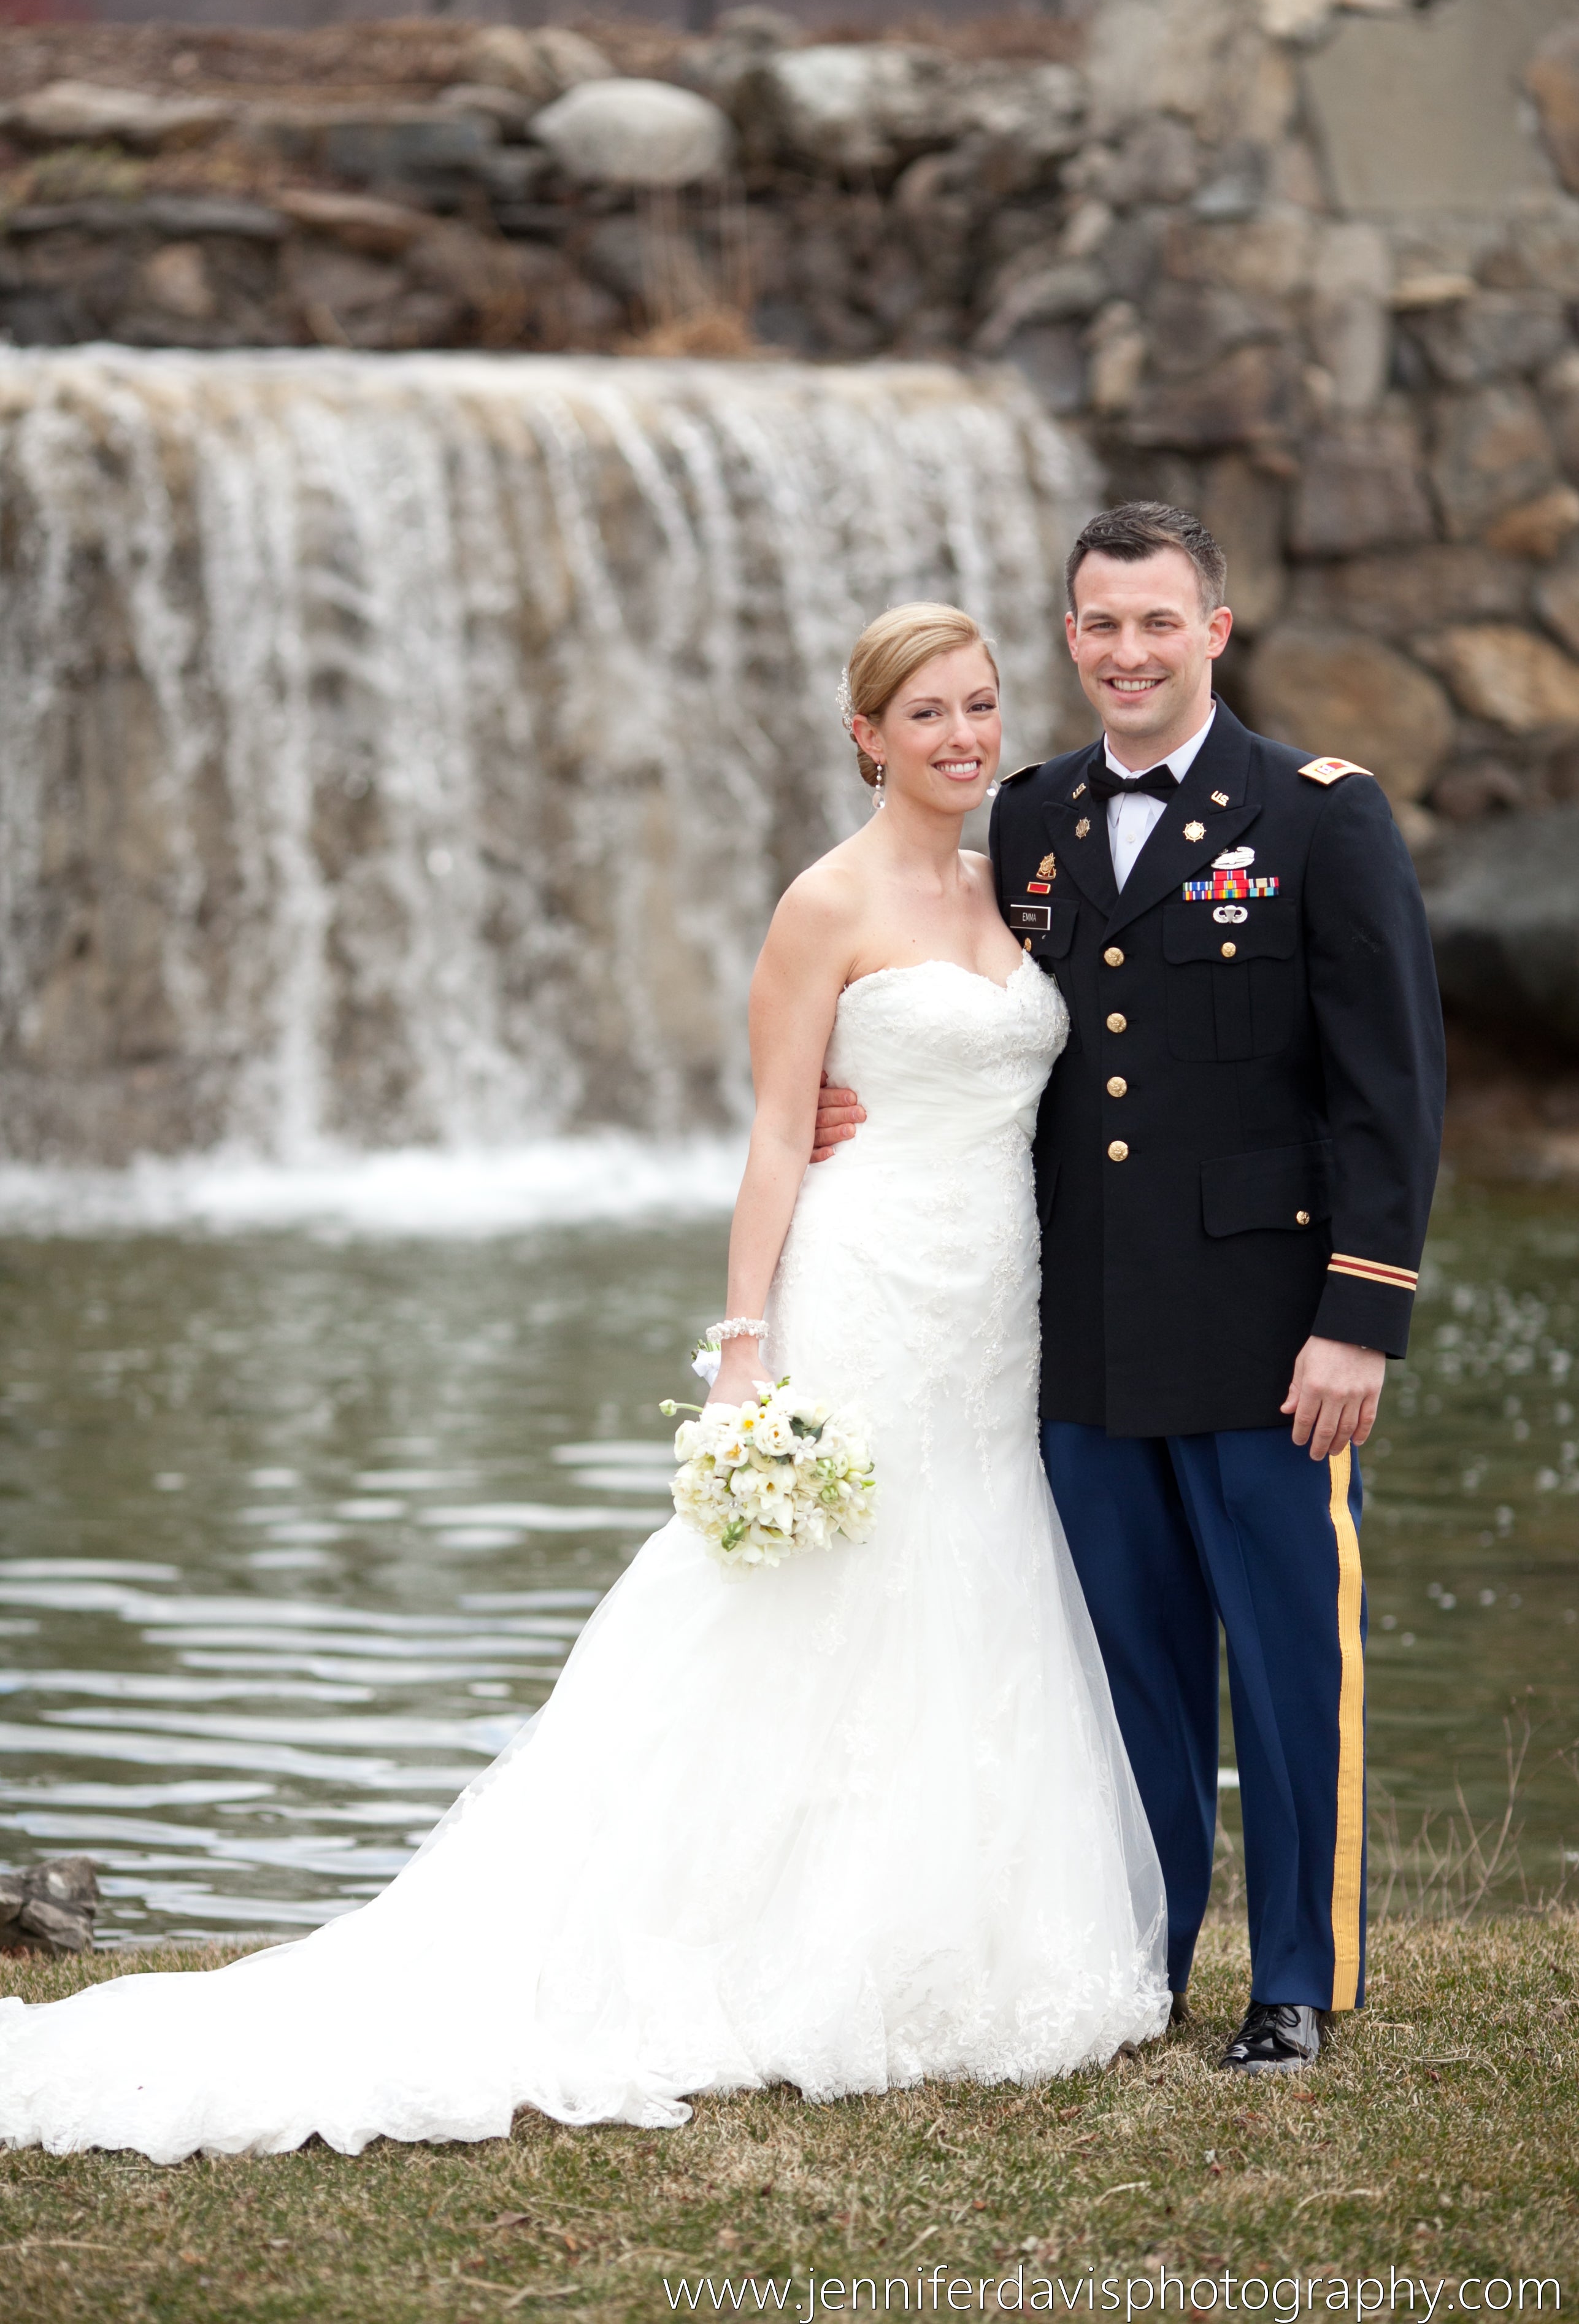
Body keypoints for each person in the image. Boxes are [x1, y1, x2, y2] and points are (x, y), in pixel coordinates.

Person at [0, 602, 1167, 2162]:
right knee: (814, 1591)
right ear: (865, 735)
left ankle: (955, 1934)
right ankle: (742, 1938)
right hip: (868, 1280)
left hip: (996, 1297)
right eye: (927, 715)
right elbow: (774, 1132)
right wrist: (745, 1349)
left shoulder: (1012, 880)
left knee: (972, 1574)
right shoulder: (823, 902)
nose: (964, 737)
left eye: (979, 705)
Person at [816, 506, 1445, 2076]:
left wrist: (1359, 1312)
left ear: (1214, 629)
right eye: (1099, 624)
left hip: (1268, 1332)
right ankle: (1140, 1963)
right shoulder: (1024, 820)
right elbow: (974, 1027)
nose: (1127, 651)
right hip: (1080, 1335)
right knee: (1130, 1670)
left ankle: (1296, 1980)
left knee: (1289, 1665)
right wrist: (861, 1108)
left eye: (1157, 621)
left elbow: (1392, 1090)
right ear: (1073, 636)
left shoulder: (1317, 816)